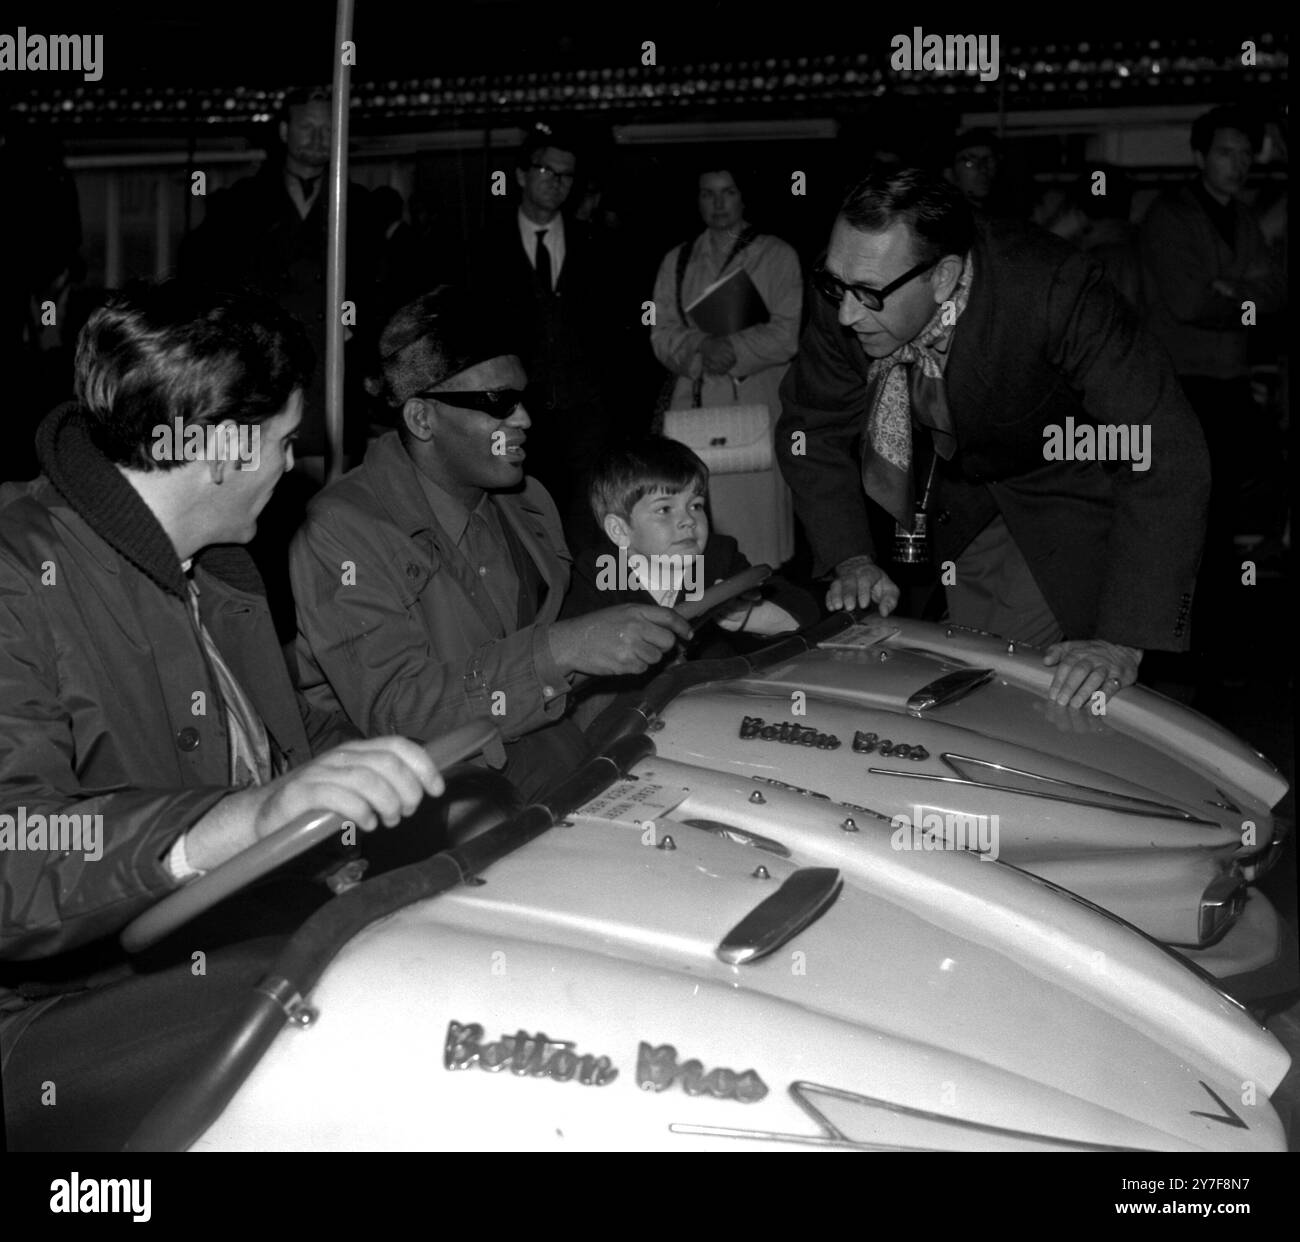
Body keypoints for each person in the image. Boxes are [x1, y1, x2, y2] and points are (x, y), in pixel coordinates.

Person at [0, 282, 445, 1151]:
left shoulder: (216, 570)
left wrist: (392, 765)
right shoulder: (21, 578)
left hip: (204, 949)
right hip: (49, 1011)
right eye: (282, 442)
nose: (293, 467)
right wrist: (238, 824)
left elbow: (277, 751)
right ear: (217, 448)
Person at [776, 165, 1211, 711]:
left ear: (943, 276)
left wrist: (1120, 640)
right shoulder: (849, 286)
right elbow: (810, 430)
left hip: (1066, 481)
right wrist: (852, 559)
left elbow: (1164, 450)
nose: (845, 312)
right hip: (956, 492)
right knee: (970, 677)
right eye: (836, 283)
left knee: (1044, 688)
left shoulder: (1054, 289)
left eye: (866, 293)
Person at [289, 289, 691, 803]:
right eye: (498, 403)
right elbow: (397, 711)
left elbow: (568, 630)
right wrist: (560, 650)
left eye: (524, 399)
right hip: (417, 799)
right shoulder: (343, 531)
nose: (522, 419)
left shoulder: (526, 501)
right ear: (421, 419)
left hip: (541, 760)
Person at [1139, 105, 1288, 705]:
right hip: (1185, 383)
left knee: (1225, 519)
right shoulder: (1171, 215)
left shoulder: (1244, 218)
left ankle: (1216, 653)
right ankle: (1186, 652)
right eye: (1226, 152)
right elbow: (1189, 301)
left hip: (1224, 382)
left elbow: (1273, 292)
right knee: (1192, 518)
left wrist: (1235, 291)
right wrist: (1239, 292)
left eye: (1246, 154)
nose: (1238, 163)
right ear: (1200, 157)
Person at [180, 86, 381, 479]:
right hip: (266, 375)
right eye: (308, 127)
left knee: (335, 502)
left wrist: (357, 326)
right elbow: (202, 285)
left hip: (333, 376)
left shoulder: (360, 207)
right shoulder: (238, 206)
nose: (319, 138)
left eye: (329, 128)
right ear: (285, 132)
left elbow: (380, 290)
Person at [466, 124, 620, 534]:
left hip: (586, 414)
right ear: (520, 175)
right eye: (547, 172)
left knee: (589, 520)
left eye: (566, 176)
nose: (557, 183)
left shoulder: (596, 245)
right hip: (519, 413)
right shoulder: (485, 247)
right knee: (524, 522)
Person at [651, 164, 802, 568]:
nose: (718, 203)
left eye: (727, 192)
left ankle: (768, 609)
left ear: (743, 196)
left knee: (757, 529)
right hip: (694, 408)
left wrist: (731, 347)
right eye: (707, 194)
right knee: (693, 520)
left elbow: (786, 335)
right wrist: (702, 344)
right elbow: (660, 333)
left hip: (753, 405)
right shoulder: (677, 260)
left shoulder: (777, 255)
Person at [563, 435, 818, 646]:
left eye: (695, 505)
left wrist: (749, 614)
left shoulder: (718, 559)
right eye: (664, 509)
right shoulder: (595, 576)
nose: (688, 520)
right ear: (619, 530)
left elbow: (803, 609)